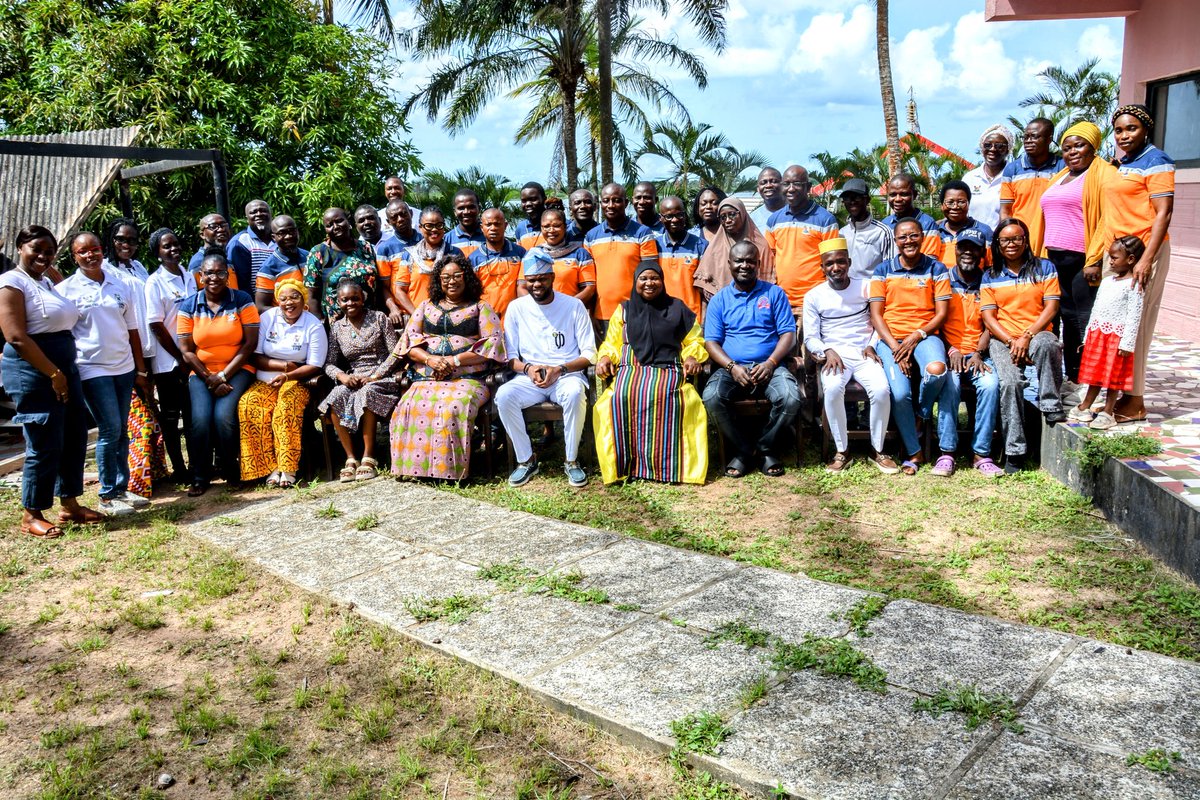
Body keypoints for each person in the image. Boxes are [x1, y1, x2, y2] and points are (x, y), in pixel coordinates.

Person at [0, 226, 102, 536]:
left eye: (49, 251)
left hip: (62, 367)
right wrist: (53, 374)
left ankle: (69, 505)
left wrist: (51, 273)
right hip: (34, 370)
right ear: (20, 248)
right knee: (44, 440)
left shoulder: (44, 281)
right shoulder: (11, 282)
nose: (43, 256)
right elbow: (16, 336)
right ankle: (32, 513)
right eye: (36, 249)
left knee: (72, 436)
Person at [388, 255, 507, 480]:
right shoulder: (424, 306)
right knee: (409, 405)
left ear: (467, 278)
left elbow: (493, 342)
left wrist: (455, 361)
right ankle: (415, 468)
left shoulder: (481, 307)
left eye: (457, 276)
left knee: (451, 407)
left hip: (469, 378)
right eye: (445, 277)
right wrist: (430, 360)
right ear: (438, 281)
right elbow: (409, 341)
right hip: (428, 376)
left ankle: (448, 471)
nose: (451, 281)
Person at [593, 260, 708, 485]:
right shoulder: (624, 310)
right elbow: (612, 344)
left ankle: (673, 469)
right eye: (643, 278)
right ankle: (624, 467)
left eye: (654, 278)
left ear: (662, 281)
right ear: (635, 281)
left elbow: (695, 340)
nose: (649, 283)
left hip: (669, 368)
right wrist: (605, 357)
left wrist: (692, 356)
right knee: (615, 400)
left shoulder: (678, 308)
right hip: (631, 368)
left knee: (678, 399)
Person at [495, 255, 597, 488]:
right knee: (504, 395)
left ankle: (571, 460)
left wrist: (559, 369)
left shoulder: (573, 306)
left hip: (566, 375)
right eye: (531, 280)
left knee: (573, 394)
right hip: (530, 378)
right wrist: (529, 368)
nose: (536, 285)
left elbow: (590, 354)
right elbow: (510, 357)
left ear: (552, 277)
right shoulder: (516, 308)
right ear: (525, 281)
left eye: (542, 279)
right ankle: (526, 460)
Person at [702, 240, 800, 479]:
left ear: (758, 264)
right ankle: (745, 450)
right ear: (729, 264)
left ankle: (765, 447)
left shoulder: (774, 294)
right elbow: (711, 342)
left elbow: (788, 333)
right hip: (731, 369)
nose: (744, 265)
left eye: (749, 261)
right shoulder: (719, 300)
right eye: (739, 260)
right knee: (711, 398)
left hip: (770, 366)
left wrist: (771, 363)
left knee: (791, 398)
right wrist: (732, 366)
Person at [1103, 104, 1175, 424]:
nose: (1124, 135)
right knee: (1116, 328)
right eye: (1119, 130)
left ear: (1146, 129)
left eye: (1131, 128)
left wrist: (1145, 261)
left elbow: (1164, 213)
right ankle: (1118, 392)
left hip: (1144, 254)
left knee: (1137, 327)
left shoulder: (1156, 160)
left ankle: (1136, 401)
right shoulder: (1126, 163)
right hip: (1119, 255)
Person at [868, 218, 955, 476]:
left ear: (922, 237)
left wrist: (916, 335)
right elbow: (876, 315)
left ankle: (922, 412)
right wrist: (896, 348)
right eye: (903, 237)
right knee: (899, 393)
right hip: (891, 338)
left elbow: (941, 314)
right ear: (896, 241)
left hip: (925, 335)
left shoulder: (936, 268)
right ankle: (914, 451)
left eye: (914, 235)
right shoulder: (882, 270)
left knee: (937, 370)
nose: (909, 241)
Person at [803, 239, 897, 474]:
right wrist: (825, 350)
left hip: (866, 352)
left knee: (882, 390)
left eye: (841, 261)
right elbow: (811, 336)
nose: (836, 267)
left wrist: (873, 344)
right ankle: (841, 451)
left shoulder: (866, 287)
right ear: (822, 267)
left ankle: (878, 449)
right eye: (830, 263)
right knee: (833, 388)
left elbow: (880, 320)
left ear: (849, 263)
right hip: (835, 355)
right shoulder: (814, 296)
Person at [982, 218, 1065, 474]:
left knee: (1048, 344)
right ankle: (1015, 451)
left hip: (1036, 334)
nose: (1011, 244)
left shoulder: (1045, 268)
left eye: (1016, 238)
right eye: (1005, 240)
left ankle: (1050, 403)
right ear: (997, 243)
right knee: (1009, 383)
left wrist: (1027, 335)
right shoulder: (991, 275)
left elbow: (1051, 307)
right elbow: (988, 317)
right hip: (1002, 338)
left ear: (1026, 240)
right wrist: (1010, 340)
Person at [1039, 121, 1117, 387]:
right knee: (1057, 316)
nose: (1072, 152)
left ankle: (1086, 378)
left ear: (1093, 146)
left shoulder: (1104, 174)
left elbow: (1108, 219)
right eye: (1066, 148)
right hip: (1053, 258)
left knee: (1080, 318)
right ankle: (1065, 376)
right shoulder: (1060, 176)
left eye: (1079, 146)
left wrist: (1094, 259)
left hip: (1082, 259)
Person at [177, 250, 260, 496]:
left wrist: (223, 375)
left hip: (238, 368)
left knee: (223, 416)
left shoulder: (242, 299)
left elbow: (249, 344)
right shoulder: (189, 305)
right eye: (209, 273)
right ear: (200, 276)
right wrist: (210, 378)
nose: (214, 277)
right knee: (200, 420)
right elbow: (187, 351)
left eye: (220, 272)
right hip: (201, 373)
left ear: (228, 275)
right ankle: (201, 476)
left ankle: (231, 469)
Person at [238, 279, 328, 488]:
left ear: (303, 299)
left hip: (298, 381)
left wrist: (288, 375)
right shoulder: (268, 318)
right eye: (284, 298)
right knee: (249, 404)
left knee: (285, 409)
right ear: (277, 300)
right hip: (266, 379)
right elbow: (255, 355)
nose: (289, 302)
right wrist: (283, 365)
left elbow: (315, 364)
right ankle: (269, 467)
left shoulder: (312, 324)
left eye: (294, 297)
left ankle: (287, 468)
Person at [102, 220, 164, 500]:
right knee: (137, 422)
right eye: (120, 240)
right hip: (124, 358)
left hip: (147, 353)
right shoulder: (103, 271)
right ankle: (133, 484)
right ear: (110, 240)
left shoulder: (138, 267)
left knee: (154, 418)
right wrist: (138, 366)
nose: (126, 245)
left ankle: (156, 474)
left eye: (132, 240)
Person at [319, 280, 401, 482]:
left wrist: (375, 376)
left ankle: (369, 456)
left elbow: (396, 354)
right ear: (338, 302)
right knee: (335, 396)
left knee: (367, 393)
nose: (350, 303)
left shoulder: (379, 318)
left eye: (355, 298)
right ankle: (350, 458)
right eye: (344, 300)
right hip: (354, 377)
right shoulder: (338, 327)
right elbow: (329, 363)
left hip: (382, 376)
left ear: (363, 299)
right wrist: (343, 377)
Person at [940, 229, 1003, 477]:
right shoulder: (943, 279)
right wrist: (950, 349)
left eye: (974, 248)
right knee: (950, 384)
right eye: (963, 247)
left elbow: (992, 322)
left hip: (979, 354)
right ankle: (947, 452)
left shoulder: (989, 280)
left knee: (990, 384)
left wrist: (978, 351)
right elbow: (935, 320)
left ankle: (982, 453)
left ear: (982, 252)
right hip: (949, 352)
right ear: (955, 250)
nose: (968, 252)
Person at [1071, 237, 1146, 431]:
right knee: (1095, 373)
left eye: (1114, 258)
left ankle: (1108, 411)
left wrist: (1127, 343)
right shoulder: (1106, 282)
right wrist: (1088, 335)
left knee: (1113, 376)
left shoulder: (1134, 285)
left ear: (1130, 259)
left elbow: (1134, 316)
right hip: (1098, 335)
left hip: (1117, 338)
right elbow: (1096, 309)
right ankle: (1085, 406)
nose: (1110, 261)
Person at [144, 227, 193, 482]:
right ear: (157, 253)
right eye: (166, 246)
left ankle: (196, 464)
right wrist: (180, 357)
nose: (173, 249)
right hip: (168, 362)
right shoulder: (155, 282)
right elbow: (156, 326)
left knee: (193, 415)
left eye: (175, 244)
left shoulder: (189, 276)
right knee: (172, 418)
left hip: (191, 359)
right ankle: (179, 470)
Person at [765, 165, 840, 320]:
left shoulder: (825, 220)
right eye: (786, 184)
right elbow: (770, 260)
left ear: (808, 187)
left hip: (813, 302)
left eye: (797, 184)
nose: (791, 189)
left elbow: (833, 262)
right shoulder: (774, 220)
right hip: (781, 302)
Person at [583, 183, 657, 334]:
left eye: (616, 200)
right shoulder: (591, 236)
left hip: (634, 313)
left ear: (626, 203)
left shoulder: (642, 233)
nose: (611, 205)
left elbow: (650, 276)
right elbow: (588, 281)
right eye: (606, 200)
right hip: (601, 315)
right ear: (600, 204)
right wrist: (591, 313)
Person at [304, 207, 379, 321]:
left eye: (339, 221)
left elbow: (378, 285)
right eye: (329, 225)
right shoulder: (318, 252)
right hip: (335, 324)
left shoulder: (365, 247)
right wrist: (319, 324)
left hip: (370, 320)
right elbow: (312, 296)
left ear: (348, 221)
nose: (335, 226)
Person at [1000, 117, 1061, 255]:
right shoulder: (1012, 169)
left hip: (1052, 243)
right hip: (1022, 242)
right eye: (1026, 137)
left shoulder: (1062, 167)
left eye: (1034, 137)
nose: (1028, 141)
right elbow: (1006, 211)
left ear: (1049, 139)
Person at [695, 197, 775, 302]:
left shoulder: (760, 246)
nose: (728, 220)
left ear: (742, 214)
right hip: (723, 308)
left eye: (732, 214)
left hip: (757, 304)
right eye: (723, 217)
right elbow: (705, 286)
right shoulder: (715, 248)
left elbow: (768, 281)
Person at [394, 207, 464, 316]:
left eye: (439, 225)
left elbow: (464, 286)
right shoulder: (410, 255)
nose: (434, 229)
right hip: (417, 317)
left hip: (449, 318)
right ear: (420, 228)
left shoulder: (454, 254)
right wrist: (417, 315)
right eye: (429, 226)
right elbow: (399, 290)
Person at [518, 209, 595, 306]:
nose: (551, 230)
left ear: (565, 227)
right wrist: (537, 308)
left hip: (570, 313)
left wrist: (564, 307)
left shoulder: (580, 254)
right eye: (546, 226)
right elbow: (522, 287)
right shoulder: (532, 254)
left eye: (556, 226)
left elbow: (589, 288)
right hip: (540, 315)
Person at [469, 208, 526, 319]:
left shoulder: (520, 253)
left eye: (497, 224)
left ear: (505, 226)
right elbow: (471, 295)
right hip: (486, 319)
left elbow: (524, 286)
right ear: (482, 228)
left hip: (515, 318)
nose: (493, 228)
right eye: (488, 224)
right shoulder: (473, 259)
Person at [655, 197, 706, 316]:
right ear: (661, 218)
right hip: (662, 316)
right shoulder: (654, 246)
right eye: (669, 216)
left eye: (679, 215)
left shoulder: (701, 246)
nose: (675, 220)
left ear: (685, 216)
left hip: (692, 317)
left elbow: (705, 289)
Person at [375, 200, 422, 326]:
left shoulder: (425, 241)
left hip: (427, 308)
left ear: (411, 214)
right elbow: (383, 286)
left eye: (403, 214)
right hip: (403, 314)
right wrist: (392, 308)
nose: (400, 219)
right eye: (394, 217)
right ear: (388, 222)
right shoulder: (385, 248)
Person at [838, 178, 894, 282]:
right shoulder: (841, 233)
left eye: (857, 197)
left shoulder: (882, 232)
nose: (852, 202)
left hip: (872, 293)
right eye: (847, 198)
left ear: (867, 200)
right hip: (845, 291)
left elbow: (890, 267)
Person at [963, 125, 1012, 230]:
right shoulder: (970, 178)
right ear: (982, 148)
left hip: (1002, 242)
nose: (993, 149)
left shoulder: (1013, 177)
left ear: (1008, 149)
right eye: (988, 145)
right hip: (972, 242)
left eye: (1000, 146)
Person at [254, 215, 308, 311]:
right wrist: (292, 314)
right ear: (273, 237)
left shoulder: (309, 256)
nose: (288, 236)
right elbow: (261, 307)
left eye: (292, 231)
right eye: (281, 233)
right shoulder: (268, 268)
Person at [935, 181, 994, 268]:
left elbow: (991, 267)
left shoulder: (984, 231)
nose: (955, 207)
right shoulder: (934, 231)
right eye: (950, 202)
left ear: (968, 204)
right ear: (942, 205)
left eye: (961, 202)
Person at [882, 174, 941, 258]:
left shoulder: (927, 224)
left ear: (915, 195)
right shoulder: (885, 224)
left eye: (904, 194)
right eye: (893, 195)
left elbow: (930, 260)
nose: (898, 199)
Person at [227, 199, 276, 290]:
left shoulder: (279, 239)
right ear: (247, 218)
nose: (259, 214)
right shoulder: (240, 242)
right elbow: (240, 281)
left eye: (263, 211)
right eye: (253, 212)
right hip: (254, 301)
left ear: (271, 215)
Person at [187, 213, 234, 283]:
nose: (221, 229)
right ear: (202, 235)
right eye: (213, 226)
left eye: (224, 225)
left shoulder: (227, 256)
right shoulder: (199, 262)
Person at [447, 189, 486, 258]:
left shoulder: (489, 236)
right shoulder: (446, 240)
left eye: (471, 207)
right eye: (461, 208)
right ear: (455, 212)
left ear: (479, 208)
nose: (466, 212)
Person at [515, 182, 548, 249]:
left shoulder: (558, 224)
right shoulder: (521, 228)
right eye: (524, 201)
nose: (528, 204)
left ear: (544, 199)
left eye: (533, 199)